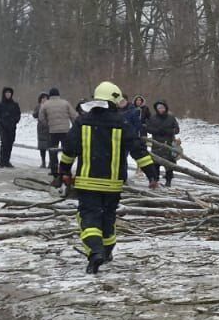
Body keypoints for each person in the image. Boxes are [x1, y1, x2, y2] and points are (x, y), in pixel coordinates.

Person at [57, 82, 157, 274]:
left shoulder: (82, 121)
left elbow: (69, 149)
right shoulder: (123, 123)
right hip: (113, 184)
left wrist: (63, 172)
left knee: (88, 218)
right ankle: (108, 251)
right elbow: (138, 150)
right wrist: (151, 174)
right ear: (114, 99)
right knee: (108, 218)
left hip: (87, 182)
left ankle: (95, 252)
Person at [37, 87, 75, 179]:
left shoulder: (45, 104)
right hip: (65, 131)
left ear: (50, 95)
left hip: (53, 131)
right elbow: (73, 115)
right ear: (58, 94)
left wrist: (48, 124)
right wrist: (74, 127)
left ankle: (54, 170)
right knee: (66, 151)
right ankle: (66, 170)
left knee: (53, 151)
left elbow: (41, 118)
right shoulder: (65, 103)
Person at [144, 100, 181, 187]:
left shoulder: (171, 118)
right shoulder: (153, 118)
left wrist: (168, 131)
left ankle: (168, 181)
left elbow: (177, 129)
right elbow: (148, 128)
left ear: (166, 108)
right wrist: (156, 131)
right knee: (155, 163)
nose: (161, 109)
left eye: (162, 108)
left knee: (169, 164)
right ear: (156, 109)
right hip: (156, 144)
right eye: (159, 108)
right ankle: (155, 180)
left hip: (168, 144)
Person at [0, 87, 21, 168]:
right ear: (4, 94)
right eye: (6, 93)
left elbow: (18, 114)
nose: (8, 94)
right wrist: (0, 120)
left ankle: (7, 161)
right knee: (4, 143)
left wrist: (15, 120)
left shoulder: (15, 104)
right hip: (3, 126)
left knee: (10, 143)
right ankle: (1, 162)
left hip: (12, 126)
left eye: (9, 93)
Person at [33, 92, 50, 167]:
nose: (44, 99)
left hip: (49, 127)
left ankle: (51, 162)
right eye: (43, 98)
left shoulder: (50, 106)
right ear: (40, 99)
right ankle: (43, 162)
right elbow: (34, 115)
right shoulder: (38, 106)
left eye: (46, 98)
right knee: (42, 146)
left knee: (50, 146)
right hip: (41, 128)